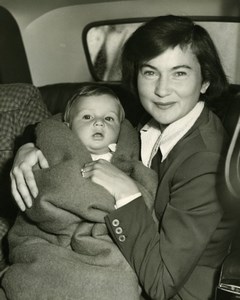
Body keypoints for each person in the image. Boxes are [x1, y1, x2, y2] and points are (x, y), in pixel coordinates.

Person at [8, 15, 237, 300]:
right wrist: (27, 147)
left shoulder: (205, 162)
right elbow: (70, 119)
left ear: (205, 81)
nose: (162, 90)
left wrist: (127, 194)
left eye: (179, 73)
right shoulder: (152, 113)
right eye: (150, 72)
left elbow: (161, 283)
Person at [1, 84, 157, 300]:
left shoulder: (127, 162)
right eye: (87, 117)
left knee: (117, 282)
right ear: (67, 126)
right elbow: (37, 195)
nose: (99, 122)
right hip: (51, 241)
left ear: (121, 129)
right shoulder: (50, 155)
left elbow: (145, 196)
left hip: (104, 241)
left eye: (109, 119)